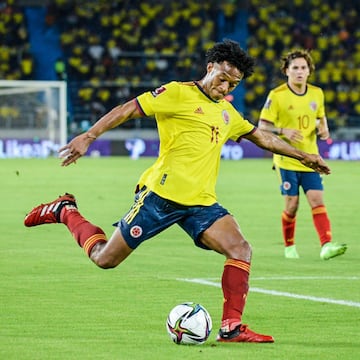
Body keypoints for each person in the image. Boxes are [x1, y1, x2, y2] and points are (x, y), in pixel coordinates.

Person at [24, 40, 331, 343]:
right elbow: (128, 110)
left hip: (201, 202)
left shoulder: (227, 113)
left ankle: (231, 327)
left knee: (240, 249)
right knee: (105, 259)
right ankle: (65, 211)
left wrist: (306, 156)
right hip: (159, 197)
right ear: (209, 67)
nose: (225, 87)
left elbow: (261, 137)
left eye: (233, 84)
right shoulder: (176, 93)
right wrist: (89, 136)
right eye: (222, 78)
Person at [258, 49, 347, 260]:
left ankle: (326, 245)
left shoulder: (317, 93)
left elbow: (320, 117)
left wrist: (324, 129)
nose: (299, 71)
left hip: (310, 158)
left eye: (303, 68)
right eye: (295, 68)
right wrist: (283, 131)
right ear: (286, 71)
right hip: (286, 159)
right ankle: (289, 246)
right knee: (292, 204)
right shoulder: (277, 95)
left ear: (309, 71)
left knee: (317, 199)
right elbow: (262, 126)